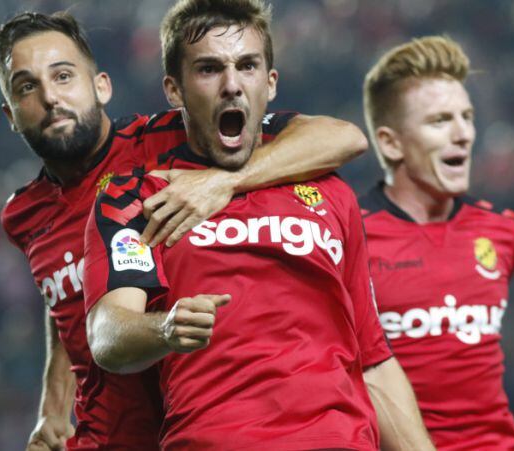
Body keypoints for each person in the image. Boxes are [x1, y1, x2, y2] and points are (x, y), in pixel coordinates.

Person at [0, 10, 369, 450]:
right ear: (10, 114)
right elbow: (68, 302)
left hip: (186, 424)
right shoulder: (23, 214)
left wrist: (223, 180)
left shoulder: (164, 140)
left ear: (101, 86)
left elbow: (340, 137)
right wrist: (52, 411)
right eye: (27, 87)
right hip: (103, 436)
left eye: (62, 76)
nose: (51, 98)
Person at [83, 1, 434, 450]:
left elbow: (372, 358)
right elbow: (108, 335)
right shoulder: (136, 196)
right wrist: (164, 329)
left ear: (270, 84)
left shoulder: (328, 191)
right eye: (209, 69)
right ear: (175, 89)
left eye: (247, 66)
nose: (232, 85)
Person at [360, 35, 514, 450]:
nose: (464, 134)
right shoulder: (348, 237)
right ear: (390, 143)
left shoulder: (504, 231)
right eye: (440, 121)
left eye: (466, 116)